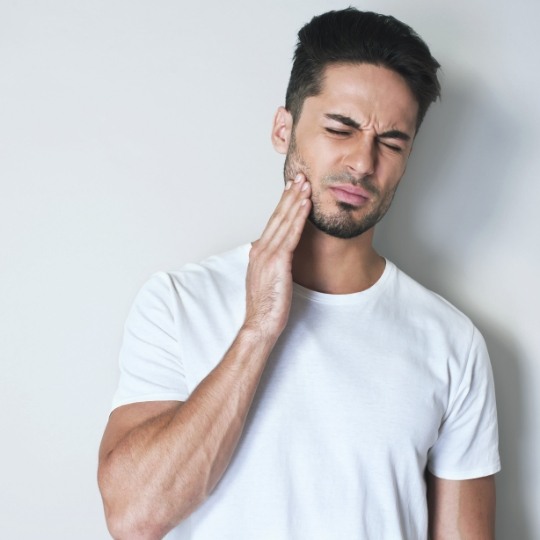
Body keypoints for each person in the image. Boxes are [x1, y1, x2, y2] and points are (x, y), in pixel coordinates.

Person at [98, 8, 500, 540]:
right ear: (283, 129)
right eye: (341, 127)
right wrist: (258, 329)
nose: (362, 162)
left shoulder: (451, 342)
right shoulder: (177, 302)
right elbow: (133, 518)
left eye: (393, 142)